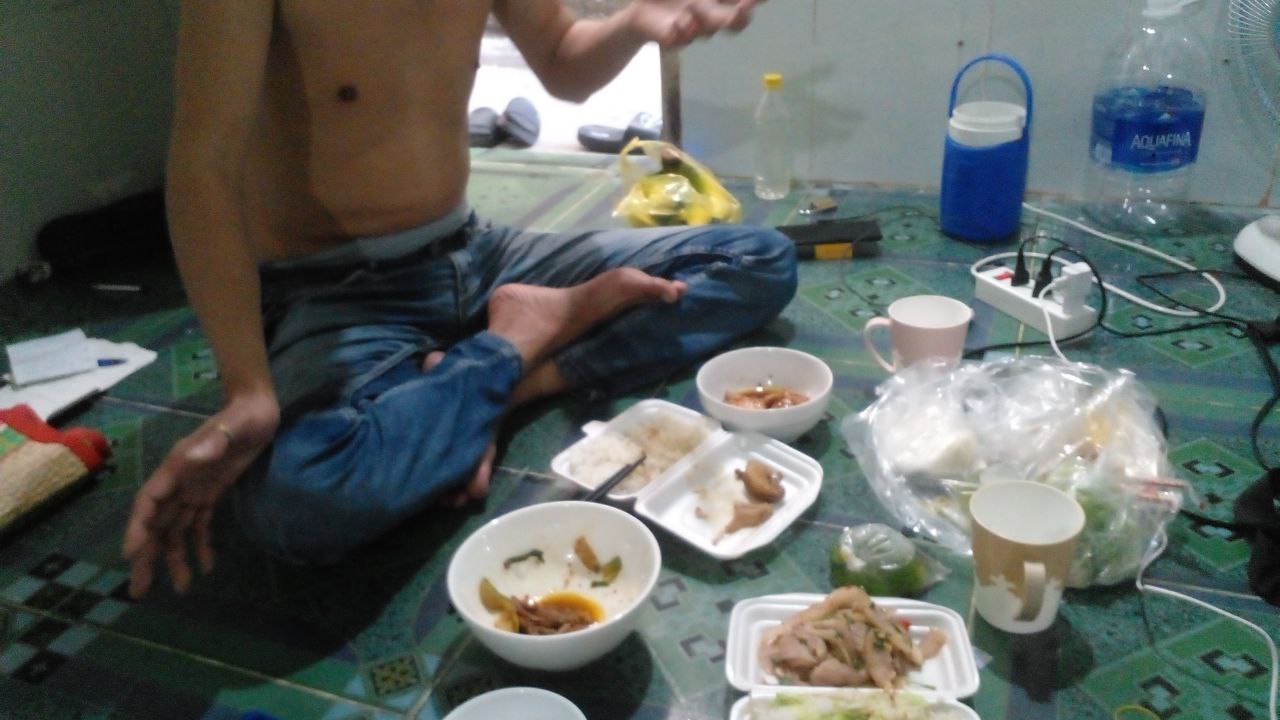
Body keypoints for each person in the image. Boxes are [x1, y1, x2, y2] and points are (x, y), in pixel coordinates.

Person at [124, 0, 796, 598]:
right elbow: (203, 165)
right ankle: (513, 344)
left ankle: (504, 375)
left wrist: (634, 21)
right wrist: (247, 388)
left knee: (758, 261)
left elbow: (563, 60)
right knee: (297, 503)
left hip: (477, 253)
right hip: (334, 289)